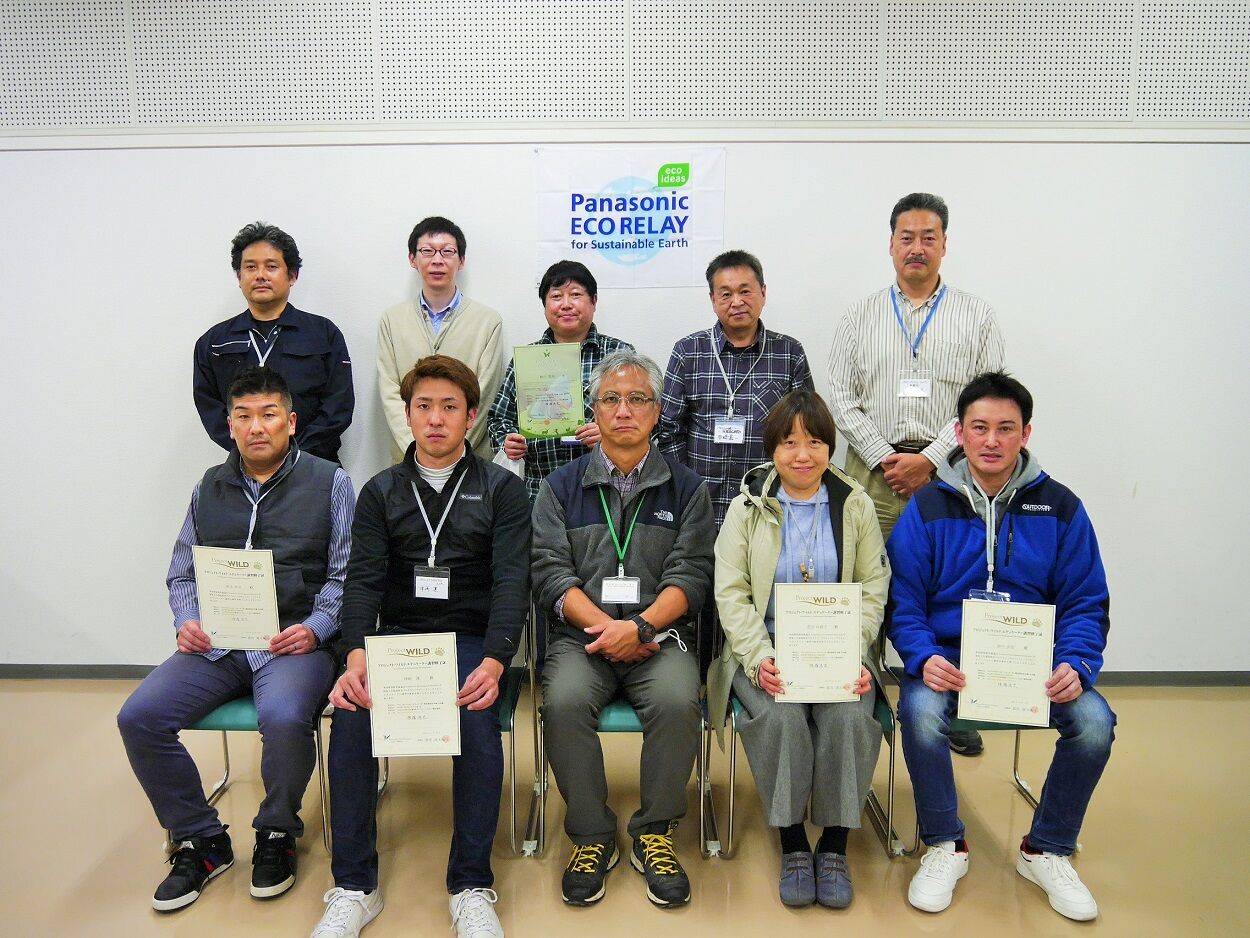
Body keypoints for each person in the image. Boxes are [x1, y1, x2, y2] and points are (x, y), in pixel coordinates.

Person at [311, 355, 530, 938]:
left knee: (476, 716)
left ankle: (470, 885)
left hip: (471, 642)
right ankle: (354, 887)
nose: (436, 419)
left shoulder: (503, 490)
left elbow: (513, 582)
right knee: (352, 713)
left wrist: (495, 662)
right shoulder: (380, 492)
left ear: (471, 416)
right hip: (399, 640)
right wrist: (356, 655)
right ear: (407, 415)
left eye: (449, 407)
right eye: (424, 407)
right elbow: (362, 581)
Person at [118, 367, 353, 912]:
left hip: (291, 643)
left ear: (291, 422)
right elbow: (182, 572)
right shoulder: (208, 486)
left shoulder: (331, 482)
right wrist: (187, 620)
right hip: (218, 645)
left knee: (286, 717)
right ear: (229, 426)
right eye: (243, 417)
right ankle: (201, 839)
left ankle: (276, 830)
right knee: (139, 717)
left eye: (269, 414)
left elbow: (345, 575)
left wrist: (315, 628)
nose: (256, 427)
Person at [886, 372, 1114, 922]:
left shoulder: (1061, 508)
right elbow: (903, 601)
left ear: (1025, 434)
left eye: (1005, 428)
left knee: (1094, 723)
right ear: (959, 433)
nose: (992, 440)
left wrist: (1075, 663)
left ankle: (1047, 849)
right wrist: (922, 656)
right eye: (980, 427)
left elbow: (1086, 601)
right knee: (919, 713)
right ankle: (946, 843)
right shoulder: (927, 506)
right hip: (949, 661)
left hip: (1033, 664)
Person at [531, 350, 714, 909]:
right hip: (581, 639)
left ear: (657, 411)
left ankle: (655, 832)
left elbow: (692, 575)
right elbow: (550, 573)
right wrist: (610, 630)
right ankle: (591, 836)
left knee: (679, 700)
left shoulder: (687, 488)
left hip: (659, 638)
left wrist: (639, 628)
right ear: (594, 411)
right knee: (563, 701)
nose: (624, 410)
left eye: (637, 399)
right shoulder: (559, 487)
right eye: (610, 399)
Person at [827, 192, 1004, 757]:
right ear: (891, 245)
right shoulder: (859, 317)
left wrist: (931, 458)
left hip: (952, 475)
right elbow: (842, 399)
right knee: (864, 585)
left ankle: (954, 704)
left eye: (929, 237)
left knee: (952, 586)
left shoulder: (976, 317)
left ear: (945, 245)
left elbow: (988, 400)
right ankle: (860, 699)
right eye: (907, 237)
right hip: (871, 473)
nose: (917, 248)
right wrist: (887, 457)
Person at [709, 390, 889, 909]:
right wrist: (758, 657)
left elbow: (873, 585)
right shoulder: (747, 507)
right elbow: (731, 593)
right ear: (772, 449)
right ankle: (792, 843)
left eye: (814, 442)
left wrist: (854, 652)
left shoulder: (854, 504)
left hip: (839, 649)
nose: (802, 454)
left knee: (850, 717)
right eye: (789, 442)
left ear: (830, 447)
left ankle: (833, 845)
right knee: (782, 718)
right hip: (763, 651)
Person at [659, 249, 814, 527]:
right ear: (713, 300)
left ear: (763, 293)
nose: (737, 302)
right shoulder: (688, 352)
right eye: (726, 294)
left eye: (745, 291)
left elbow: (806, 431)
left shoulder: (789, 353)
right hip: (699, 506)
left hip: (769, 505)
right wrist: (685, 488)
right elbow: (669, 430)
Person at [193, 222, 354, 464]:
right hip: (246, 467)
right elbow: (211, 409)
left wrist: (294, 453)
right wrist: (254, 450)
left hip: (315, 465)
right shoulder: (214, 342)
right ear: (239, 277)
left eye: (271, 266)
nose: (260, 275)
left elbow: (338, 405)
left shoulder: (324, 334)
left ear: (292, 275)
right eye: (250, 267)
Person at [487, 260, 633, 500]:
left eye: (575, 295)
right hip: (538, 490)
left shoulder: (619, 355)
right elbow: (498, 418)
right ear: (545, 305)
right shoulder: (527, 359)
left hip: (606, 489)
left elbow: (643, 417)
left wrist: (609, 434)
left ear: (594, 301)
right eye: (556, 296)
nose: (566, 304)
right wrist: (508, 441)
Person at [377, 216, 504, 463]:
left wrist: (453, 450)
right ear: (412, 259)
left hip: (469, 462)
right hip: (407, 461)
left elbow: (485, 395)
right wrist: (417, 450)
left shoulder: (488, 322)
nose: (437, 260)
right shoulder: (391, 320)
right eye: (427, 251)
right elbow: (390, 392)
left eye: (447, 252)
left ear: (461, 261)